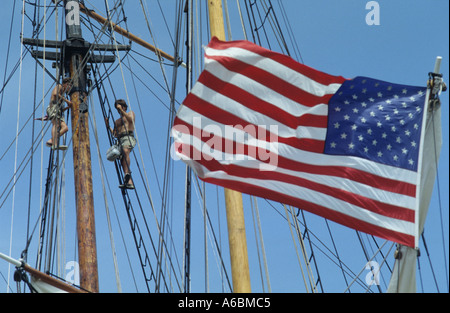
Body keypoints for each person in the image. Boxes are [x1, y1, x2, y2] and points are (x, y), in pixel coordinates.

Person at [107, 99, 137, 189]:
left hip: (128, 137)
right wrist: (108, 126)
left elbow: (131, 120)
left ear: (124, 107)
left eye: (119, 108)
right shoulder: (117, 121)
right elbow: (115, 134)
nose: (118, 111)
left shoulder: (130, 113)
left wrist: (123, 111)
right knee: (121, 160)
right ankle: (128, 181)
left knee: (125, 150)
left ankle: (127, 173)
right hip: (120, 140)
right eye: (117, 109)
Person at [45, 77, 72, 150]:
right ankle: (55, 143)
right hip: (53, 107)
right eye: (68, 85)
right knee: (56, 124)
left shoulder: (63, 93)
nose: (69, 87)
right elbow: (55, 94)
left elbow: (61, 110)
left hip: (57, 110)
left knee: (65, 128)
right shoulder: (59, 86)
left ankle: (51, 140)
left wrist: (68, 107)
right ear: (65, 84)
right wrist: (67, 101)